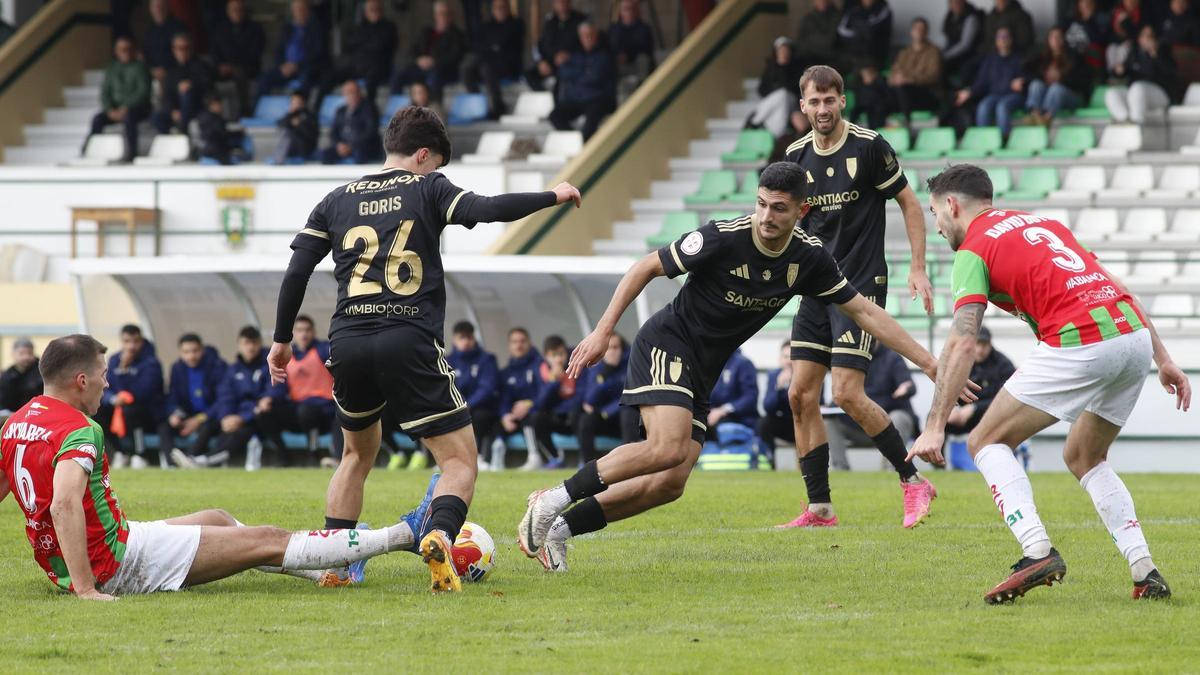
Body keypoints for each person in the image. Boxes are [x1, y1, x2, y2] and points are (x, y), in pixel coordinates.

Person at [516, 162, 950, 573]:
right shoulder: (723, 237)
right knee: (667, 447)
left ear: (803, 211)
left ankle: (559, 529)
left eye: (779, 208)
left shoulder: (810, 258)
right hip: (668, 343)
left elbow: (867, 314)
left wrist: (930, 363)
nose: (765, 216)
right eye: (761, 203)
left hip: (704, 370)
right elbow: (647, 266)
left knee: (671, 482)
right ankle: (553, 499)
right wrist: (603, 331)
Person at [266, 105, 581, 591]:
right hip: (407, 336)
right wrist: (552, 195)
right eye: (437, 164)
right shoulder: (427, 187)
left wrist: (282, 340)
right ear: (421, 155)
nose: (438, 174)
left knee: (355, 456)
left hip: (347, 340)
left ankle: (335, 562)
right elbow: (487, 209)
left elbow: (296, 273)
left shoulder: (337, 198)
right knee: (458, 462)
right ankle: (437, 536)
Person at [908, 163, 1191, 604]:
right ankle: (1145, 571)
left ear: (951, 206)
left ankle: (1036, 550)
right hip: (1131, 335)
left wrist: (935, 424)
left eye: (935, 215)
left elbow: (963, 339)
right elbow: (1115, 284)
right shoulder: (1044, 223)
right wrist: (1163, 358)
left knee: (985, 440)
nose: (939, 229)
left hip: (1082, 339)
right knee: (1084, 455)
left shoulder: (973, 250)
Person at [0, 334, 436, 600]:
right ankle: (405, 534)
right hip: (115, 563)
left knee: (219, 519)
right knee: (268, 539)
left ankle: (328, 571)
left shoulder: (15, 423)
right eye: (103, 373)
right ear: (81, 381)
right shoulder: (79, 429)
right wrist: (86, 588)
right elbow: (63, 505)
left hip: (100, 547)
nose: (107, 382)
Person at [782, 65, 937, 530]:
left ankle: (912, 480)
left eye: (830, 100)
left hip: (861, 284)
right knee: (799, 393)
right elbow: (792, 220)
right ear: (803, 105)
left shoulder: (869, 147)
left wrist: (916, 267)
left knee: (847, 392)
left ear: (842, 101)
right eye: (814, 101)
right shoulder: (795, 155)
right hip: (815, 286)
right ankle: (820, 508)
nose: (823, 109)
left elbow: (910, 203)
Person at [827, 344, 919, 465]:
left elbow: (908, 385)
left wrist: (906, 388)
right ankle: (840, 469)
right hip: (859, 426)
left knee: (899, 417)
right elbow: (842, 394)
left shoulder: (892, 358)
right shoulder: (851, 359)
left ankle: (895, 470)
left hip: (887, 425)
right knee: (829, 421)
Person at [213, 326, 287, 469]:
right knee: (222, 426)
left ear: (260, 343)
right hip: (242, 417)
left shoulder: (269, 364)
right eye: (246, 343)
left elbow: (276, 390)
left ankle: (211, 458)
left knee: (254, 421)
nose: (251, 347)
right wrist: (226, 416)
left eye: (254, 343)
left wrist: (244, 417)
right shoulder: (232, 370)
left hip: (261, 417)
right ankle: (205, 457)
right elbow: (225, 396)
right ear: (239, 345)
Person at [94, 324, 163, 470]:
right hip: (119, 406)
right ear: (122, 341)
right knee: (97, 412)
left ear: (141, 341)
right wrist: (113, 399)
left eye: (135, 341)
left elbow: (145, 390)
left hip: (146, 411)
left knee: (131, 411)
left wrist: (124, 372)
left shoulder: (151, 362)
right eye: (127, 341)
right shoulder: (114, 360)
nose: (131, 346)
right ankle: (120, 452)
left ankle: (140, 454)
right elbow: (106, 386)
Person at [278, 316, 341, 466]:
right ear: (293, 333)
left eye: (307, 330)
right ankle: (283, 457)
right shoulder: (287, 355)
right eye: (299, 330)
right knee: (266, 415)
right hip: (299, 411)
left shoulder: (323, 350)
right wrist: (267, 399)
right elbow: (279, 386)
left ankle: (320, 454)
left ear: (313, 332)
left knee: (337, 413)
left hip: (326, 410)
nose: (304, 334)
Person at [161, 334, 226, 468]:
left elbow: (222, 400)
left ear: (202, 350)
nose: (191, 356)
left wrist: (199, 419)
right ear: (180, 353)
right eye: (186, 352)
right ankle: (172, 464)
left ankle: (189, 458)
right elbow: (173, 396)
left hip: (210, 416)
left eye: (195, 351)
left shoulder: (217, 366)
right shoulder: (177, 368)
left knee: (208, 427)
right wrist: (175, 413)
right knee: (165, 427)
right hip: (188, 415)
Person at [575, 333, 638, 466]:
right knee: (585, 420)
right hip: (606, 420)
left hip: (625, 417)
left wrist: (606, 411)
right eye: (609, 348)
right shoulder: (596, 368)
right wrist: (604, 374)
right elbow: (589, 400)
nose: (613, 352)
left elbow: (630, 396)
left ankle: (628, 462)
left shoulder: (631, 365)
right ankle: (588, 465)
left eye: (616, 347)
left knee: (628, 411)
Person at [85, 37, 151, 163]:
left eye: (128, 49)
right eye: (122, 49)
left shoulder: (141, 68)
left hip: (137, 109)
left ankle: (131, 154)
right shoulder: (111, 68)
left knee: (130, 117)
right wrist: (109, 109)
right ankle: (87, 151)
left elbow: (142, 93)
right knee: (97, 119)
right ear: (116, 51)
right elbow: (105, 92)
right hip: (115, 110)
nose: (125, 52)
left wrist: (125, 107)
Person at [445, 321, 500, 471]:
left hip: (479, 408)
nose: (466, 342)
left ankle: (480, 457)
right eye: (462, 337)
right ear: (454, 339)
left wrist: (468, 404)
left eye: (469, 337)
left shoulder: (487, 359)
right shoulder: (447, 361)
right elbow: (446, 387)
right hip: (457, 407)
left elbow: (488, 388)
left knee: (480, 416)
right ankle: (450, 460)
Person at [318, 0, 397, 104]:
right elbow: (349, 45)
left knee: (370, 84)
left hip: (377, 68)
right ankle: (315, 110)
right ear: (366, 12)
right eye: (371, 9)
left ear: (381, 10)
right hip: (357, 67)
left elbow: (380, 45)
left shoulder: (388, 27)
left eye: (376, 9)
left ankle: (369, 113)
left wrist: (363, 44)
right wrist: (367, 43)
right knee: (330, 76)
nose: (374, 11)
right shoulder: (361, 27)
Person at [548, 21, 616, 141]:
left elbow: (594, 77)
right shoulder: (575, 54)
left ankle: (586, 147)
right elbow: (563, 72)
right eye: (584, 35)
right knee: (555, 116)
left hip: (597, 99)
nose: (588, 38)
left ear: (596, 36)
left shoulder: (604, 55)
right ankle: (575, 140)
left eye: (591, 35)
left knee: (589, 126)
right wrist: (583, 71)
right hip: (577, 99)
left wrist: (576, 72)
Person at [944, 325, 1015, 437]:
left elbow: (1007, 397)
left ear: (990, 344)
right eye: (977, 344)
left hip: (991, 414)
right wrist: (952, 409)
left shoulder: (1003, 364)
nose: (980, 350)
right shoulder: (959, 361)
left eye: (984, 345)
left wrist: (975, 408)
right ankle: (936, 453)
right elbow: (947, 390)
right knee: (937, 419)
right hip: (962, 415)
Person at [954, 28, 1025, 136]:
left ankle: (1004, 139)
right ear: (996, 41)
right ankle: (985, 139)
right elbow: (982, 82)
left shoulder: (1019, 59)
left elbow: (1028, 78)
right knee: (983, 106)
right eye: (1000, 37)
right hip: (995, 95)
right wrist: (969, 92)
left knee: (1002, 106)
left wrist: (1022, 81)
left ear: (1011, 40)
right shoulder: (990, 60)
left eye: (1006, 37)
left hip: (1014, 96)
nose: (1003, 40)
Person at [460, 0, 525, 119]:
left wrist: (494, 47)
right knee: (467, 67)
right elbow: (481, 46)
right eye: (497, 7)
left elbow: (508, 46)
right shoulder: (488, 26)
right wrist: (494, 48)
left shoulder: (516, 24)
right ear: (492, 10)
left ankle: (497, 106)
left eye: (503, 7)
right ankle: (477, 103)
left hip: (508, 64)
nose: (500, 10)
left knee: (487, 68)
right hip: (488, 60)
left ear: (508, 8)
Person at [390, 1, 467, 99]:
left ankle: (433, 108)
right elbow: (413, 50)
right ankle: (398, 109)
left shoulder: (457, 35)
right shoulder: (426, 32)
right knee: (399, 74)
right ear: (435, 15)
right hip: (421, 68)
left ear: (451, 16)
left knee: (434, 77)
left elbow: (455, 56)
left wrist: (434, 61)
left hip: (442, 69)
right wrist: (418, 60)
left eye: (445, 13)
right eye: (440, 13)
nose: (442, 16)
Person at [1106, 25, 1177, 124]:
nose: (1147, 39)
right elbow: (1124, 72)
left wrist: (1156, 55)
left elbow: (1171, 72)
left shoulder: (1163, 50)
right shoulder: (1134, 53)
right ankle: (1126, 120)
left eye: (1150, 36)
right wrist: (1119, 71)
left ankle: (1137, 123)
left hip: (1160, 94)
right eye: (1144, 36)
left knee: (1137, 88)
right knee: (1112, 93)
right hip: (1135, 94)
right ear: (1139, 39)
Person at [497, 327, 545, 470]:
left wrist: (530, 404)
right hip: (515, 416)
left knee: (530, 417)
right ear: (509, 345)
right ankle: (493, 459)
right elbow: (503, 397)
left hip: (537, 412)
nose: (519, 345)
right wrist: (505, 415)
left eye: (522, 341)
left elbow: (546, 392)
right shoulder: (506, 372)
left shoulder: (540, 365)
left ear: (529, 343)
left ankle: (534, 457)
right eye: (515, 342)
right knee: (492, 420)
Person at [529, 335, 580, 468]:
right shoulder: (540, 370)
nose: (558, 359)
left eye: (561, 354)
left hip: (574, 415)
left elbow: (582, 395)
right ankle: (555, 458)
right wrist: (554, 381)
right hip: (555, 417)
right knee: (536, 418)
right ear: (546, 356)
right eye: (553, 355)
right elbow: (540, 402)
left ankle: (585, 459)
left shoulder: (577, 366)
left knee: (580, 415)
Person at [258, 0, 327, 97]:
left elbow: (317, 53)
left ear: (308, 11)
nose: (299, 12)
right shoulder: (288, 28)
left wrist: (297, 65)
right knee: (264, 79)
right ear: (293, 12)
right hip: (286, 67)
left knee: (306, 79)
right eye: (297, 10)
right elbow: (279, 50)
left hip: (306, 68)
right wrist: (282, 65)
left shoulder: (316, 29)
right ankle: (263, 109)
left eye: (302, 9)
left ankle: (298, 108)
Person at [1025, 27, 1091, 126]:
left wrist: (1061, 78)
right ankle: (1035, 114)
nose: (1055, 40)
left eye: (1059, 37)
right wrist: (1044, 78)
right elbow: (1027, 70)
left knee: (1056, 88)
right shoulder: (1042, 57)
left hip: (1072, 95)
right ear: (1048, 40)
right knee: (1036, 84)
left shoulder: (1074, 57)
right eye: (1052, 37)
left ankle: (1047, 118)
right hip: (1049, 93)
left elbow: (1082, 82)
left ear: (1064, 39)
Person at [210, 0, 265, 119]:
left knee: (240, 74)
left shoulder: (254, 29)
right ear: (228, 12)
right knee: (205, 74)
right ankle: (212, 112)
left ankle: (244, 112)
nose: (236, 12)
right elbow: (215, 52)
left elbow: (254, 53)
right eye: (233, 10)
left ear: (244, 11)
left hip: (247, 67)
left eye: (239, 10)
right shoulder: (221, 29)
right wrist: (221, 65)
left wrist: (234, 66)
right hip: (224, 68)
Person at [153, 33, 212, 134]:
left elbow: (207, 84)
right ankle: (171, 141)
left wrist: (192, 84)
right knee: (157, 117)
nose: (183, 51)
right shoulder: (171, 70)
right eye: (179, 48)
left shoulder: (200, 66)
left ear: (191, 49)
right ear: (174, 50)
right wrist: (172, 111)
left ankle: (182, 131)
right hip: (176, 110)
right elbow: (168, 94)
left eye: (186, 48)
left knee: (186, 93)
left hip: (197, 107)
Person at [888, 18, 943, 124]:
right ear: (911, 31)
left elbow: (934, 76)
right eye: (916, 28)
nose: (919, 31)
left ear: (926, 32)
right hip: (902, 93)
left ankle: (906, 124)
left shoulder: (933, 51)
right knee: (879, 86)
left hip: (924, 93)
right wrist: (895, 79)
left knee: (902, 88)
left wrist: (910, 80)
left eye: (922, 29)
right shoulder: (904, 53)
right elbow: (894, 72)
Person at [747, 37, 804, 138]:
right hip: (775, 103)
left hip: (790, 100)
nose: (783, 53)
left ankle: (755, 121)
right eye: (781, 50)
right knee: (780, 98)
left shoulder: (796, 67)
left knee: (783, 94)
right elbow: (761, 90)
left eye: (786, 50)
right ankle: (775, 133)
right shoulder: (771, 67)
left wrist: (783, 67)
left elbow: (795, 89)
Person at [526, 0, 587, 91]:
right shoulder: (550, 21)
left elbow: (587, 45)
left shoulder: (580, 20)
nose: (561, 5)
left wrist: (570, 56)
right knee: (529, 74)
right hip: (550, 63)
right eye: (558, 2)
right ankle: (545, 97)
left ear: (569, 3)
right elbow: (539, 45)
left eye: (564, 2)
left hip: (571, 63)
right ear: (554, 4)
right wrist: (541, 61)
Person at [321, 80, 382, 165]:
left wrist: (351, 146)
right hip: (343, 147)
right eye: (347, 93)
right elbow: (334, 132)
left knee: (359, 154)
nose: (350, 95)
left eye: (353, 92)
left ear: (360, 93)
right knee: (325, 154)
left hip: (362, 147)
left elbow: (370, 132)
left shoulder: (369, 109)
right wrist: (339, 145)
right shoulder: (341, 111)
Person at [707, 349, 759, 439]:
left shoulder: (743, 363)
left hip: (739, 418)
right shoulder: (711, 362)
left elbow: (750, 398)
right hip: (713, 415)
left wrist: (723, 410)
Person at [757, 342, 794, 468]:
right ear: (780, 359)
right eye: (785, 357)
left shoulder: (806, 375)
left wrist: (791, 386)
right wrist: (779, 387)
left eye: (792, 357)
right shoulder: (774, 375)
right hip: (784, 422)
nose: (788, 361)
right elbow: (768, 407)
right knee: (764, 423)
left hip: (801, 421)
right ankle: (769, 462)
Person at [609, 0, 656, 88]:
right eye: (626, 9)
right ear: (620, 11)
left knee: (643, 59)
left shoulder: (644, 28)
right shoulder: (614, 29)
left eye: (632, 9)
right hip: (620, 64)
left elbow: (647, 49)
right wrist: (618, 55)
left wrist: (627, 55)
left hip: (638, 64)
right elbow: (611, 47)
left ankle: (641, 86)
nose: (629, 12)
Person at [836, 0, 893, 70]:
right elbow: (842, 30)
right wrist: (858, 34)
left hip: (874, 55)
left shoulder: (883, 9)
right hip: (851, 52)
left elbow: (871, 31)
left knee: (865, 72)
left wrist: (858, 32)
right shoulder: (852, 7)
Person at [143, 0, 186, 84]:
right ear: (150, 9)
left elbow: (184, 53)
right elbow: (145, 54)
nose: (158, 9)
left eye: (161, 6)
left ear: (167, 7)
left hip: (176, 73)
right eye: (155, 6)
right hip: (153, 75)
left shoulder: (178, 27)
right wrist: (152, 70)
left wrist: (166, 70)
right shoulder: (150, 31)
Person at [942, 0, 985, 84]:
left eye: (958, 2)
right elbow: (944, 36)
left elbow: (965, 45)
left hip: (970, 55)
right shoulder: (950, 17)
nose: (956, 5)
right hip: (954, 53)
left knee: (965, 72)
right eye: (952, 3)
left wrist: (946, 55)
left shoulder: (971, 18)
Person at [271, 91, 319, 164]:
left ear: (303, 102)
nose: (294, 103)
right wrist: (290, 114)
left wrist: (298, 125)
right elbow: (280, 124)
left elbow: (310, 135)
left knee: (289, 136)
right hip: (291, 148)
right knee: (284, 133)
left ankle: (279, 159)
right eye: (293, 101)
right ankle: (279, 158)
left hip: (305, 147)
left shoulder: (310, 116)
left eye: (297, 101)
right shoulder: (291, 115)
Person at [195, 96, 246, 164]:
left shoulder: (202, 117)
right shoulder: (216, 119)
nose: (221, 106)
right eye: (219, 104)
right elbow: (223, 134)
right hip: (218, 151)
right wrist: (239, 133)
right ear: (212, 105)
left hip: (205, 151)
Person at [1064, 0, 1111, 73]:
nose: (1086, 5)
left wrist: (1088, 21)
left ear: (1094, 5)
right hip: (1069, 50)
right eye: (1083, 2)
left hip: (1087, 51)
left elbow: (1100, 40)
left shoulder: (1100, 19)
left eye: (1089, 3)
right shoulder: (1071, 20)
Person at [1, 339, 42, 418]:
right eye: (21, 353)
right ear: (13, 354)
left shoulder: (40, 372)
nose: (26, 357)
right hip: (13, 417)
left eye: (29, 353)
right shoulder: (7, 376)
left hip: (36, 414)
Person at [795, 0, 840, 69]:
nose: (822, 1)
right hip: (810, 61)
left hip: (834, 62)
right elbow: (800, 44)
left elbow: (832, 42)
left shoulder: (839, 18)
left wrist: (811, 42)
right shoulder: (807, 19)